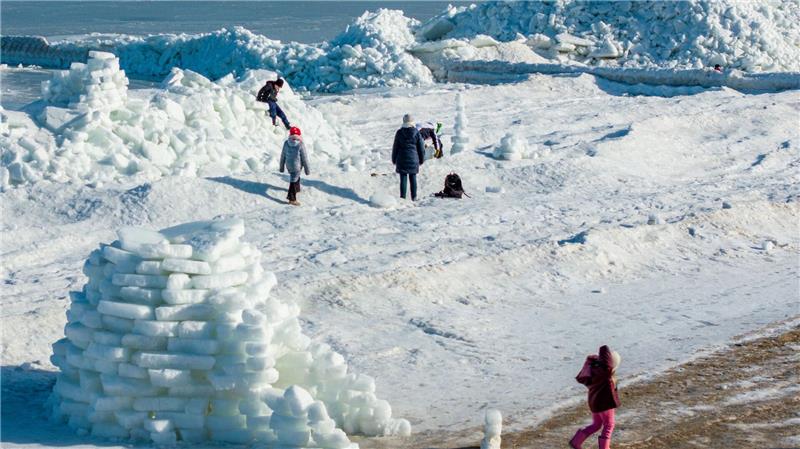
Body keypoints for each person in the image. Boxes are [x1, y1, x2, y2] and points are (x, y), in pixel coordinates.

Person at [570, 345, 621, 449]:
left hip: (594, 401)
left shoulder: (594, 371)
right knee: (609, 424)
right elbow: (604, 350)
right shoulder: (605, 374)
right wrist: (604, 348)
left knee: (597, 424)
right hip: (604, 403)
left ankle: (576, 441)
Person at [391, 114, 425, 201]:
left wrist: (394, 159)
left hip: (401, 158)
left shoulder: (399, 132)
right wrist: (421, 159)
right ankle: (414, 197)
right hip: (413, 159)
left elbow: (395, 147)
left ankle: (402, 198)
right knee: (413, 177)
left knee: (403, 178)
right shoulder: (416, 132)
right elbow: (421, 148)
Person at [279, 126, 309, 206]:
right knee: (294, 179)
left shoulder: (286, 143)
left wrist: (281, 167)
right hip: (297, 166)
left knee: (295, 176)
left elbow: (283, 155)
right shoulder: (300, 144)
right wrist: (307, 169)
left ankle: (297, 188)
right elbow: (304, 158)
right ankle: (291, 198)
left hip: (288, 165)